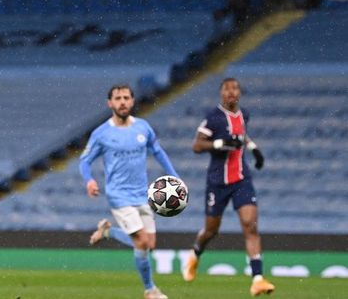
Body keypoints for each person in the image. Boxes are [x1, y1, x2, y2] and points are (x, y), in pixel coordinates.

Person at [79, 84, 180, 299]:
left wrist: (174, 176)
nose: (122, 102)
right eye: (118, 98)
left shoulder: (143, 128)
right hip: (118, 195)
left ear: (132, 101)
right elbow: (84, 161)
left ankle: (107, 231)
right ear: (110, 103)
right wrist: (89, 181)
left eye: (126, 97)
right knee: (142, 241)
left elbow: (158, 152)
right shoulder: (102, 133)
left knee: (148, 245)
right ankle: (150, 290)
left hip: (142, 194)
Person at [182, 77, 275, 296]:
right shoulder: (213, 118)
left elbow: (241, 135)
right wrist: (218, 144)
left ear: (239, 93)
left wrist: (254, 149)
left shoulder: (244, 115)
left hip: (242, 180)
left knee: (250, 225)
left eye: (235, 89)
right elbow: (196, 145)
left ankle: (258, 279)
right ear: (221, 94)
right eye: (227, 89)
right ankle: (195, 253)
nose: (231, 92)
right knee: (211, 230)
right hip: (218, 183)